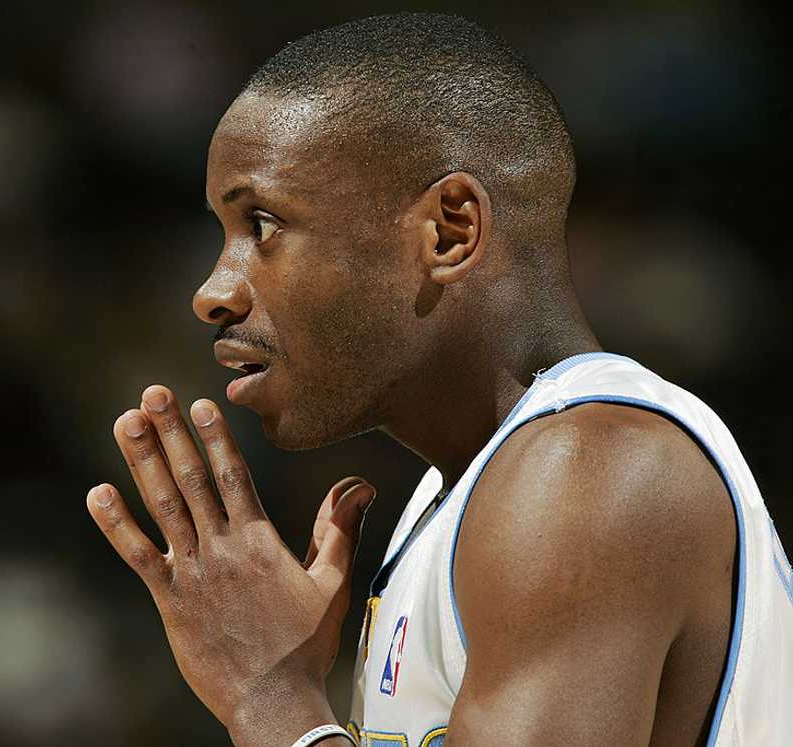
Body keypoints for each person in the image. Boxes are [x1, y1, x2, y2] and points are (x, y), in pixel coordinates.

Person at [85, 12, 793, 746]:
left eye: (262, 225)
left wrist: (273, 702)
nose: (213, 291)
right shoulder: (464, 490)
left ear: (449, 230)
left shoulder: (590, 471)